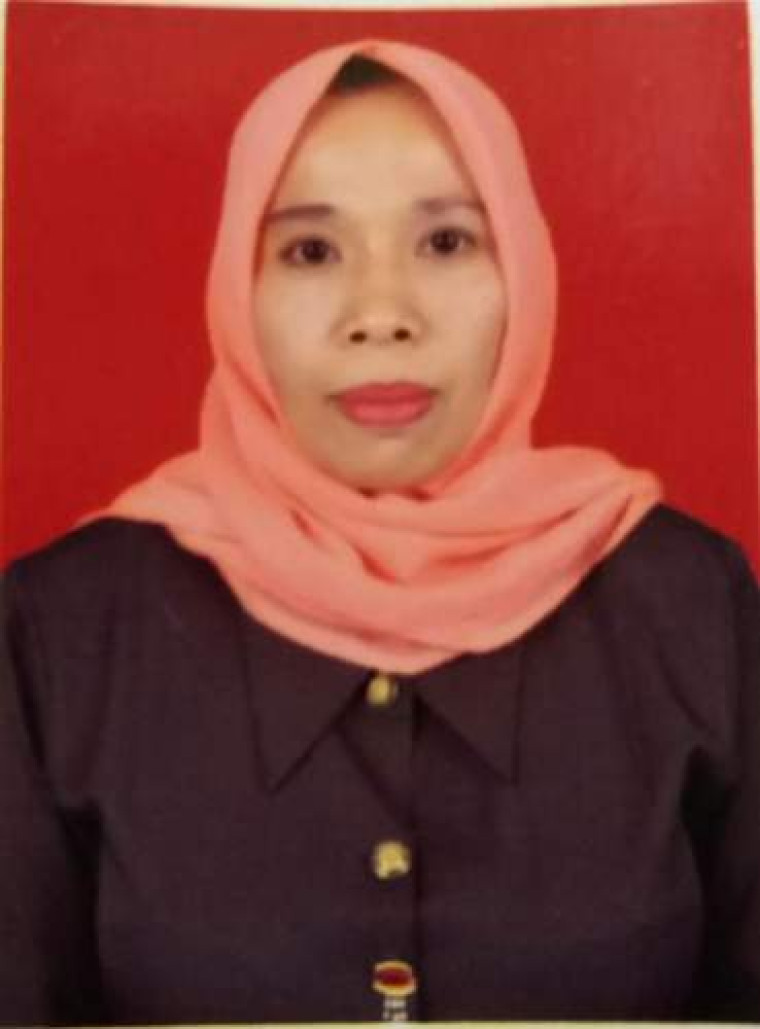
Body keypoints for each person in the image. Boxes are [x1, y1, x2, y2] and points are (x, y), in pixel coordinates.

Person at [2, 38, 758, 1026]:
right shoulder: (64, 630)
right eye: (311, 251)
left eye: (445, 242)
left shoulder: (691, 604)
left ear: (524, 271)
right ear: (237, 290)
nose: (382, 314)